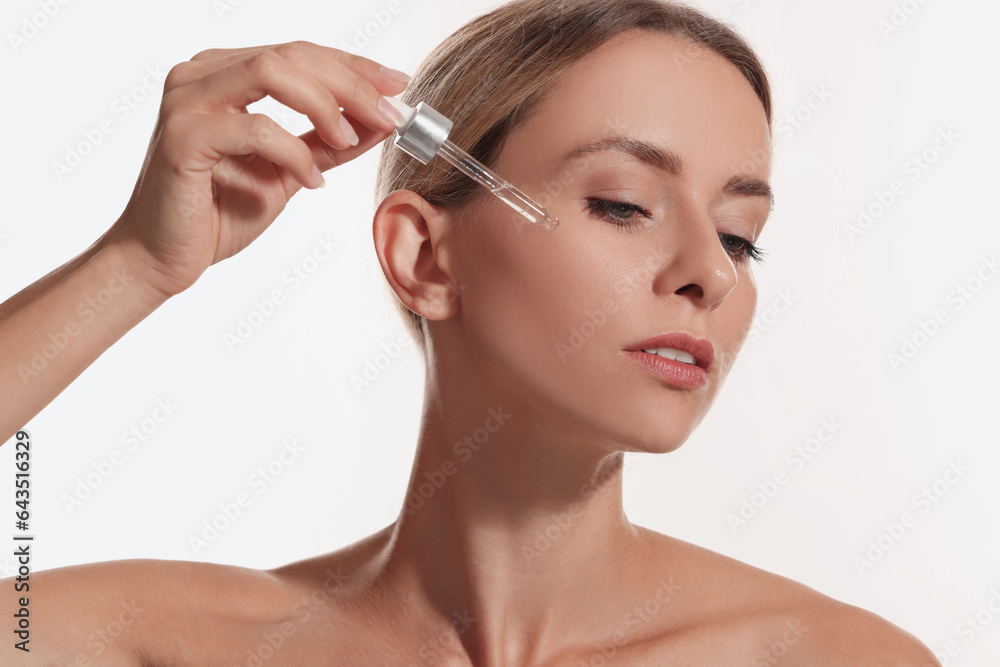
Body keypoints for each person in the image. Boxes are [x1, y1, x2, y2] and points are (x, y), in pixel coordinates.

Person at [1, 0, 940, 663]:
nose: (712, 269)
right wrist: (135, 264)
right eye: (623, 205)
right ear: (425, 258)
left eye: (741, 235)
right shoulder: (173, 644)